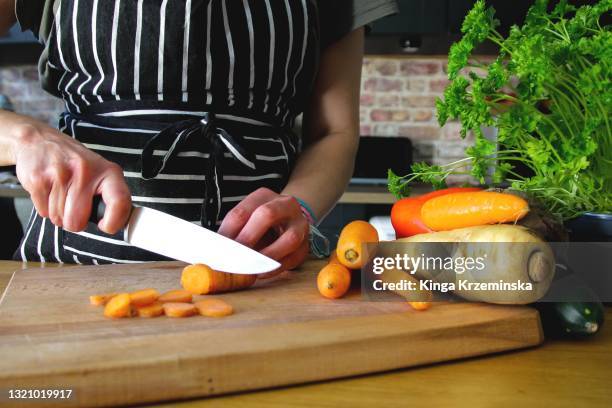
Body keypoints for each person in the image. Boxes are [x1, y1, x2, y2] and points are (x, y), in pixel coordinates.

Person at [0, 0, 398, 273]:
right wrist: (26, 137)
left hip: (261, 273)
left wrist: (302, 206)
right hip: (72, 270)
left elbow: (334, 132)